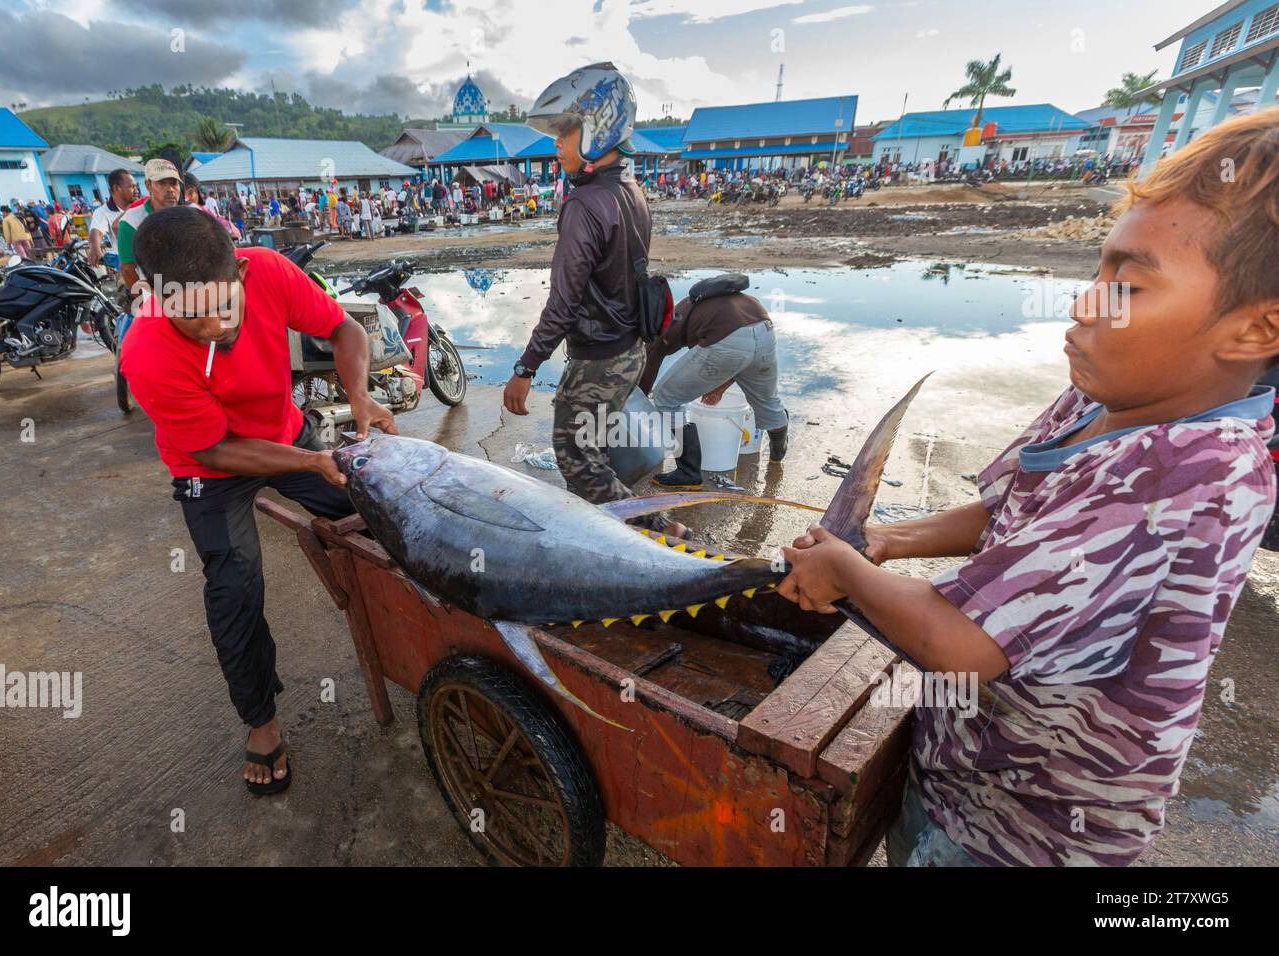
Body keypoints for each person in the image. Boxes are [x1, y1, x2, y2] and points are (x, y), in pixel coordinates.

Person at [778, 109, 1279, 867]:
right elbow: (1008, 512)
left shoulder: (1194, 469)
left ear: (1252, 333)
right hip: (961, 762)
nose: (1086, 305)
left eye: (1131, 286)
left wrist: (848, 573)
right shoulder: (1107, 395)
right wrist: (886, 541)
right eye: (1099, 270)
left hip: (1031, 832)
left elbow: (960, 648)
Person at [119, 206, 396, 794]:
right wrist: (308, 461)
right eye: (189, 317)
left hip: (285, 430)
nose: (213, 326)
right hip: (212, 465)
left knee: (376, 515)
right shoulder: (145, 349)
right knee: (234, 585)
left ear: (242, 272)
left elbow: (346, 330)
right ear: (154, 296)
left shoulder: (270, 270)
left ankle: (417, 634)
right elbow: (217, 450)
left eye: (224, 305)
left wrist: (360, 396)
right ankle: (262, 723)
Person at [504, 63, 684, 538]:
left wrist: (524, 369)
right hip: (629, 351)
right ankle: (631, 532)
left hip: (599, 361)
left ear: (599, 130)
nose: (556, 143)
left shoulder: (584, 205)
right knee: (600, 451)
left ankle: (662, 537)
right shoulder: (631, 191)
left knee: (579, 461)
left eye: (566, 131)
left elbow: (563, 304)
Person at [642, 281, 790, 488]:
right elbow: (740, 359)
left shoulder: (659, 334)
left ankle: (688, 474)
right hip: (764, 328)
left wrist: (638, 399)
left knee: (666, 399)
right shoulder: (693, 308)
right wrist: (719, 388)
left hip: (728, 338)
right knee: (767, 400)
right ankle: (777, 456)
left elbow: (646, 379)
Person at [116, 158, 183, 301]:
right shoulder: (131, 222)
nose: (170, 189)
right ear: (148, 185)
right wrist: (143, 302)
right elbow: (127, 268)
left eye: (173, 183)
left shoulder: (188, 216)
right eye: (162, 183)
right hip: (157, 301)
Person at [87, 169, 137, 269]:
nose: (136, 190)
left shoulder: (141, 206)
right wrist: (95, 247)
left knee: (163, 283)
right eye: (131, 186)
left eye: (136, 186)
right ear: (116, 188)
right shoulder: (103, 212)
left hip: (151, 264)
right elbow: (96, 231)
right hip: (129, 268)